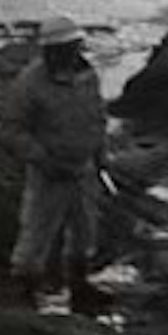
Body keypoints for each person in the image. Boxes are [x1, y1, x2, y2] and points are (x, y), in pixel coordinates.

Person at [10, 18, 110, 310]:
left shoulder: (88, 75)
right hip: (49, 172)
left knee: (85, 229)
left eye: (74, 46)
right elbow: (16, 130)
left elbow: (97, 116)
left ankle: (80, 284)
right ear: (50, 50)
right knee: (36, 230)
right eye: (66, 47)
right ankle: (24, 288)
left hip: (84, 168)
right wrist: (42, 159)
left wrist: (101, 155)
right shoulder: (29, 84)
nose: (73, 52)